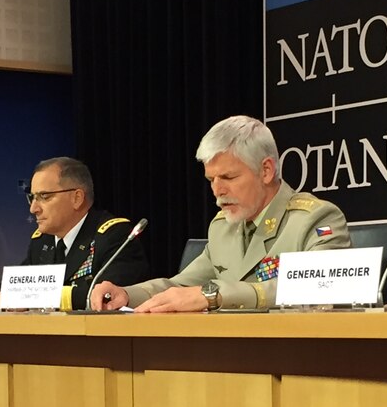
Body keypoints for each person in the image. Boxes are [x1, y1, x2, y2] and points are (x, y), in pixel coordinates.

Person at [90, 115, 350, 312]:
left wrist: (213, 295)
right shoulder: (223, 227)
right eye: (211, 179)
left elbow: (319, 290)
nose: (217, 191)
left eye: (228, 177)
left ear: (267, 170)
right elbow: (182, 286)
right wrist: (127, 294)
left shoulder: (316, 219)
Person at [0, 157, 150, 312]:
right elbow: (14, 286)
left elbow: (102, 296)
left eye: (44, 196)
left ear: (77, 198)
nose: (33, 208)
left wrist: (24, 298)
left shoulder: (115, 235)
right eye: (32, 198)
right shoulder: (43, 241)